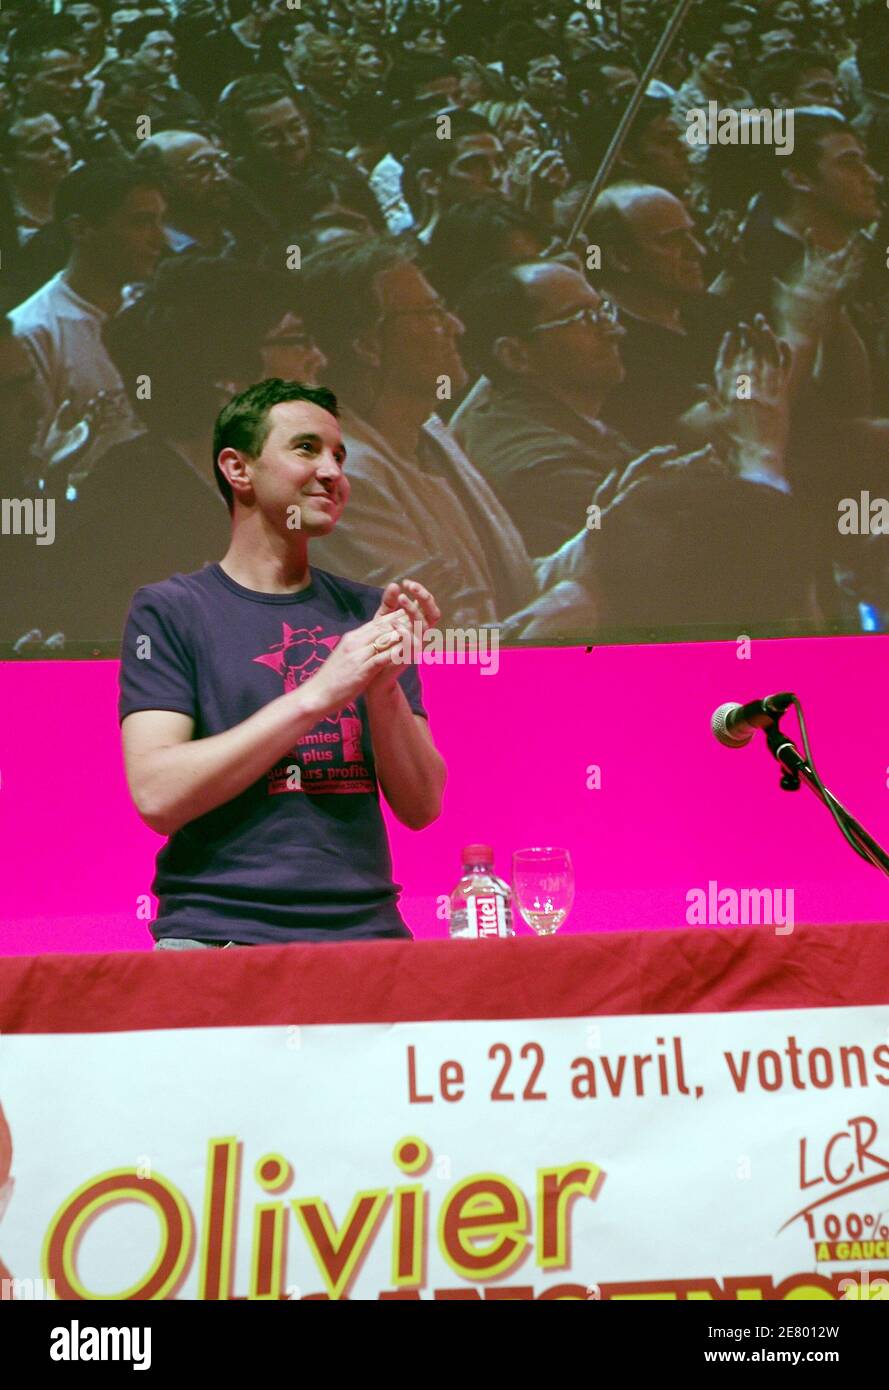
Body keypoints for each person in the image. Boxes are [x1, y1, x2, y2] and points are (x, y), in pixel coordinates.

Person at [118, 377, 447, 948]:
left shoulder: (370, 612)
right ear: (237, 469)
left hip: (367, 936)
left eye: (339, 456)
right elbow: (157, 793)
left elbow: (423, 806)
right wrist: (321, 692)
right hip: (216, 937)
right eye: (306, 449)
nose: (333, 472)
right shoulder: (171, 610)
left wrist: (383, 690)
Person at [9, 160, 166, 480]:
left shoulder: (152, 309)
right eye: (141, 223)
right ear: (81, 229)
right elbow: (32, 461)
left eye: (161, 221)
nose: (159, 239)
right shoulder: (33, 331)